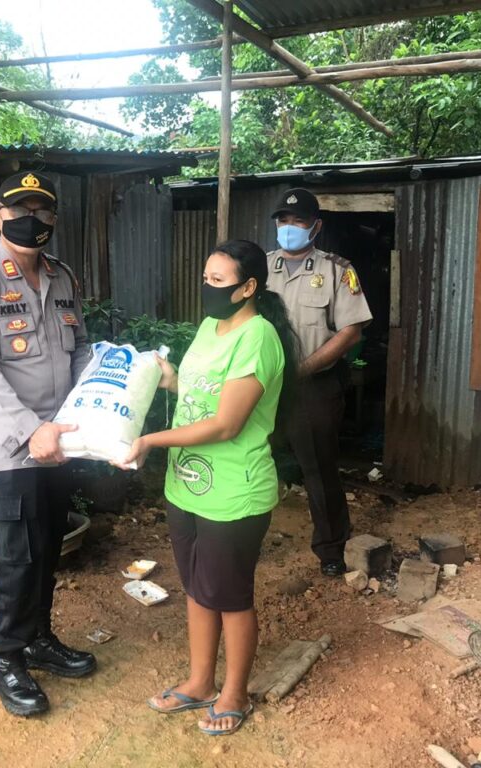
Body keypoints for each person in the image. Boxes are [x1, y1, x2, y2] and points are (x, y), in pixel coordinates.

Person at [117, 239, 297, 736]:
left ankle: (234, 692)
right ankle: (199, 682)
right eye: (206, 278)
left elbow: (226, 423)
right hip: (187, 486)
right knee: (198, 589)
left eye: (218, 280)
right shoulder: (209, 327)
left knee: (230, 596)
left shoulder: (258, 337)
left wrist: (149, 440)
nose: (207, 287)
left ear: (249, 287)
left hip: (234, 493)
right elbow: (203, 393)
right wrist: (170, 380)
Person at [0, 171, 96, 718]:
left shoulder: (62, 276)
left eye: (42, 211)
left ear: (53, 219)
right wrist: (29, 431)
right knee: (18, 555)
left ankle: (38, 638)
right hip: (11, 448)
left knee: (50, 544)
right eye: (20, 210)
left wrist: (94, 406)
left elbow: (80, 349)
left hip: (60, 440)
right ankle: (6, 659)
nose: (31, 220)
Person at [266, 189, 372, 576]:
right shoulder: (259, 268)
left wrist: (303, 369)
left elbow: (351, 331)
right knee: (247, 459)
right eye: (283, 220)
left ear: (316, 226)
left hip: (314, 385)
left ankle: (331, 549)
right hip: (262, 384)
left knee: (319, 470)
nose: (289, 227)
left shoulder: (336, 270)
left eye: (298, 221)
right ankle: (242, 539)